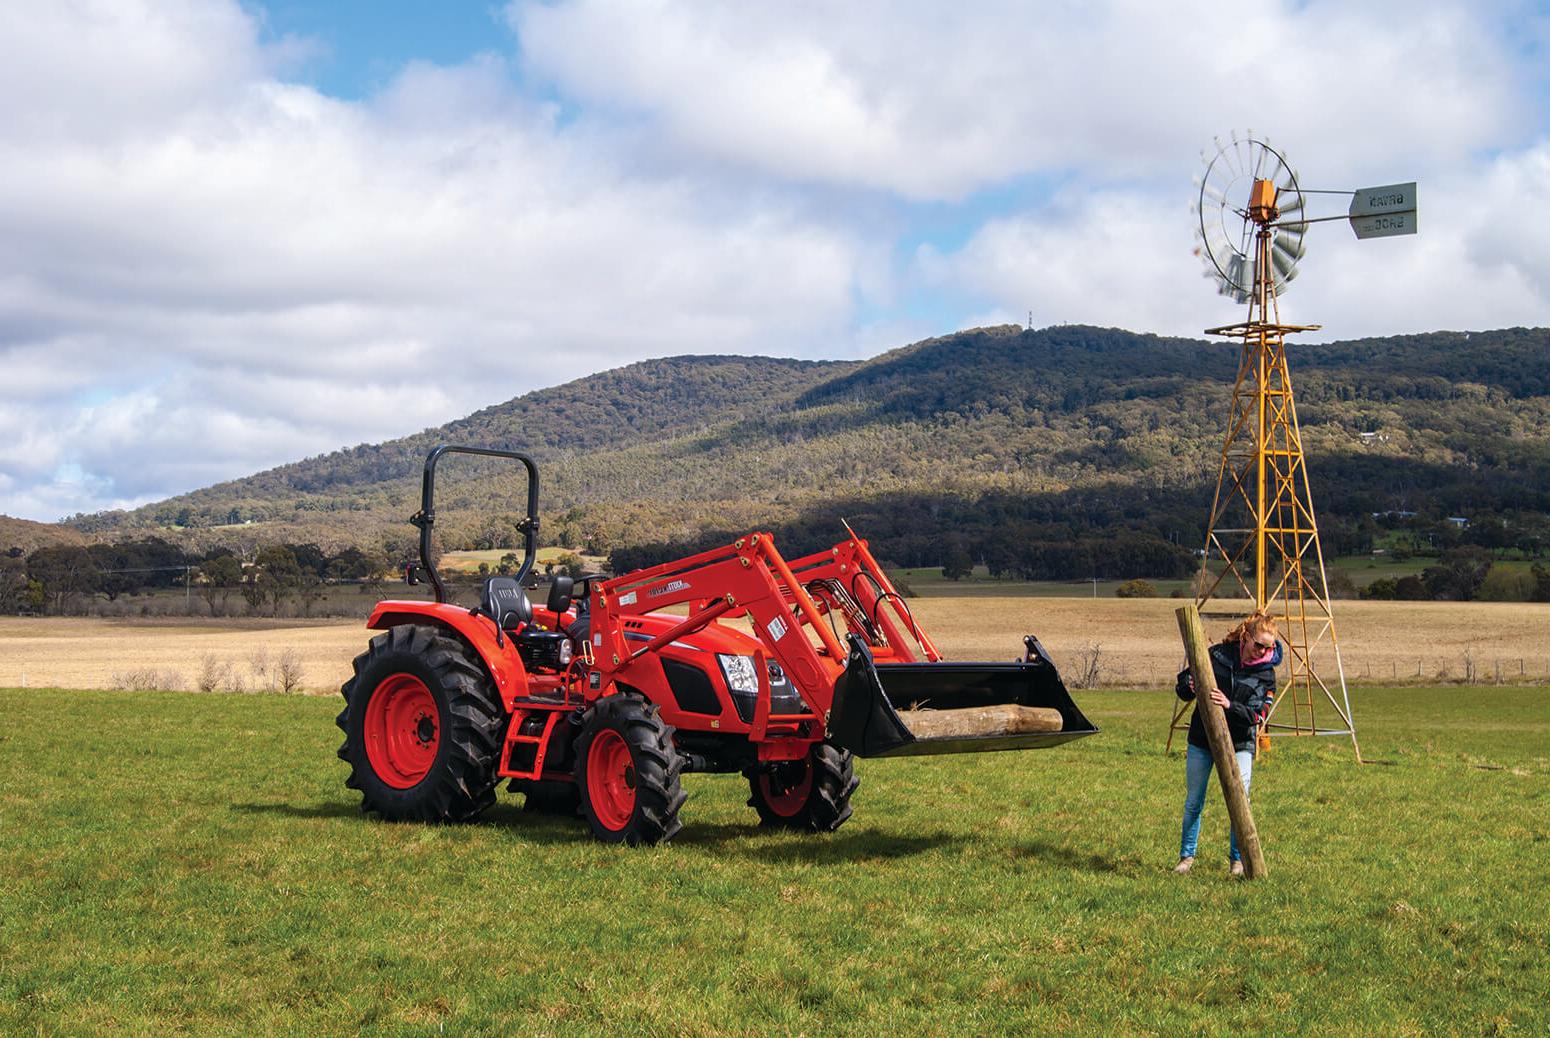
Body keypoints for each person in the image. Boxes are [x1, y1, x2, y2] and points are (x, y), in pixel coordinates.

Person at [1172, 610, 1281, 876]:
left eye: (1269, 647)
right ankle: (1186, 858)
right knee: (1194, 800)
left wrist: (1229, 705)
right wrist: (1190, 685)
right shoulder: (1216, 655)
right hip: (1202, 739)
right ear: (1246, 636)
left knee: (1240, 800)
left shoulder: (1267, 675)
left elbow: (1258, 716)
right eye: (1259, 644)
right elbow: (1182, 688)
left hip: (1240, 743)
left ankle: (1238, 861)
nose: (1263, 651)